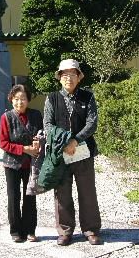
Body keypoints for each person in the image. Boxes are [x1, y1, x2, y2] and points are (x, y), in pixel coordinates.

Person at [43, 59, 103, 246]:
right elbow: (48, 125)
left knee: (87, 192)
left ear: (79, 77)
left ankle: (91, 229)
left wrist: (75, 140)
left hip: (83, 152)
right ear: (60, 77)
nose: (69, 77)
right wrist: (63, 143)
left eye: (73, 74)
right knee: (62, 193)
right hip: (61, 154)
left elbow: (92, 123)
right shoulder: (52, 98)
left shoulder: (88, 97)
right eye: (65, 74)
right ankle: (65, 231)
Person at [0, 84, 43, 243]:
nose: (20, 102)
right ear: (11, 100)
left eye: (23, 99)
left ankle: (30, 230)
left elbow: (41, 133)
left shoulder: (36, 115)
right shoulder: (6, 117)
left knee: (30, 196)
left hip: (32, 164)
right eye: (16, 99)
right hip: (12, 164)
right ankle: (15, 231)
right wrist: (24, 149)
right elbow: (3, 143)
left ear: (28, 100)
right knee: (13, 197)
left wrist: (39, 142)